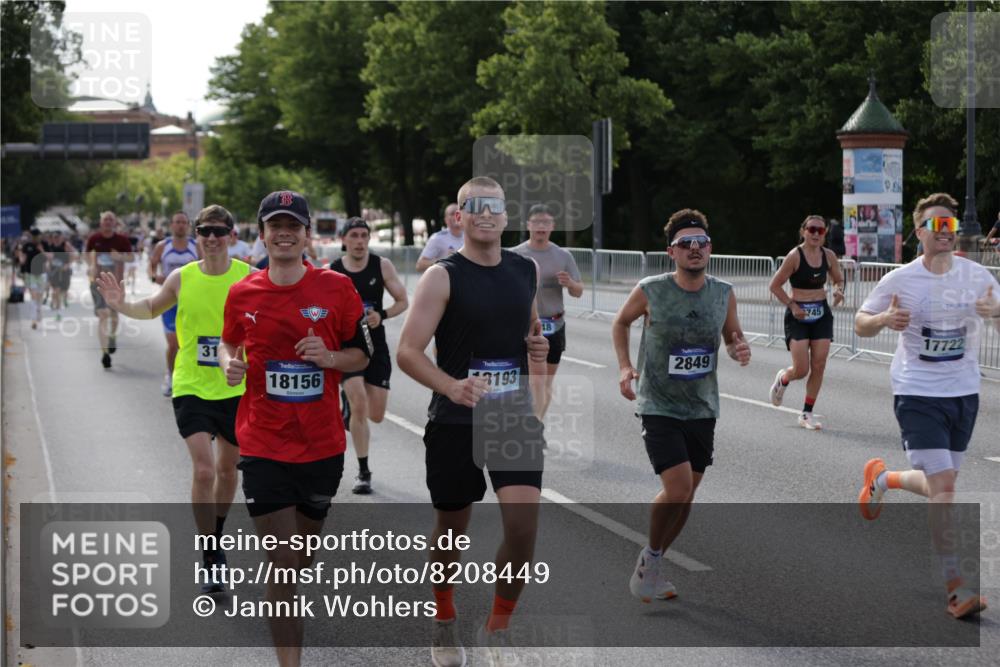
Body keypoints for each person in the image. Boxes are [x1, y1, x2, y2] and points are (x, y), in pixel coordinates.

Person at [397, 176, 549, 667]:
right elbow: (408, 351)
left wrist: (537, 348)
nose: (485, 213)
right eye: (474, 205)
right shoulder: (442, 276)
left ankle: (497, 627)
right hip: (456, 419)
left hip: (511, 417)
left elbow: (529, 330)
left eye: (494, 206)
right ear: (459, 216)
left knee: (523, 528)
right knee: (451, 529)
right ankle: (444, 617)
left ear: (506, 216)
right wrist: (450, 386)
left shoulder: (525, 269)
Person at [218, 190, 371, 667]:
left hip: (321, 446)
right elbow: (228, 343)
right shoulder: (242, 292)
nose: (283, 233)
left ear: (307, 235)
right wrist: (229, 364)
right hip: (262, 443)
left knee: (300, 561)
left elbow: (362, 356)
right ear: (262, 235)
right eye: (275, 225)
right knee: (283, 564)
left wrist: (329, 358)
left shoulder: (336, 289)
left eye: (293, 226)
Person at [855, 192, 998, 620]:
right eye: (936, 225)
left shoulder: (976, 276)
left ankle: (883, 478)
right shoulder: (900, 280)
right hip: (917, 392)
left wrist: (995, 312)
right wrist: (883, 320)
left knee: (942, 483)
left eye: (950, 225)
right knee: (946, 488)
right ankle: (956, 588)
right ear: (919, 232)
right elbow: (861, 323)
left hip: (963, 393)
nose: (945, 232)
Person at [96, 204, 252, 592]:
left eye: (219, 231)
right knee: (204, 470)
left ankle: (216, 534)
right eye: (205, 231)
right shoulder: (182, 277)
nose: (212, 238)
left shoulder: (248, 277)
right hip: (191, 384)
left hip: (235, 385)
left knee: (228, 470)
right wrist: (120, 304)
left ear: (231, 235)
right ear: (196, 235)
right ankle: (209, 552)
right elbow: (152, 307)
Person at [612, 208, 751, 605]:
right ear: (671, 252)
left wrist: (738, 348)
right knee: (678, 488)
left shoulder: (723, 293)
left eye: (701, 243)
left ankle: (653, 561)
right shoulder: (651, 290)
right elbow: (620, 322)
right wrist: (625, 366)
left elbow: (732, 336)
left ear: (710, 249)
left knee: (687, 495)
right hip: (659, 403)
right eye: (685, 243)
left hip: (703, 406)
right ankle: (650, 558)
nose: (694, 249)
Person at [330, 217, 409, 494]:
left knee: (376, 414)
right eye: (354, 235)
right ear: (344, 240)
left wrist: (381, 315)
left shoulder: (381, 265)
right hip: (348, 347)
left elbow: (403, 301)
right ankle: (364, 472)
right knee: (360, 404)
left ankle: (348, 408)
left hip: (375, 345)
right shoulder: (334, 270)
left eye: (364, 235)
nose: (360, 241)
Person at [767, 215, 845, 430]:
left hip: (821, 315)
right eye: (812, 229)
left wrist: (839, 290)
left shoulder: (829, 256)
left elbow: (838, 279)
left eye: (821, 230)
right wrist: (792, 306)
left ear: (825, 234)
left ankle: (806, 413)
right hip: (798, 316)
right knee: (801, 370)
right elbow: (774, 285)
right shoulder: (795, 256)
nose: (816, 234)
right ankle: (784, 378)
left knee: (819, 365)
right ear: (803, 231)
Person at [510, 204, 584, 417]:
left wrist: (570, 283)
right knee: (534, 379)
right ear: (528, 225)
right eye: (537, 222)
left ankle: (538, 421)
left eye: (546, 222)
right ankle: (530, 423)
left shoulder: (563, 255)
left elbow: (578, 292)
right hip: (526, 326)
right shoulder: (515, 255)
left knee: (546, 382)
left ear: (552, 226)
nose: (541, 227)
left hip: (554, 325)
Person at [150, 212, 201, 396]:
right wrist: (155, 277)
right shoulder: (163, 246)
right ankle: (171, 376)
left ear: (188, 225)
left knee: (190, 343)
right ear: (171, 225)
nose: (180, 225)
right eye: (177, 222)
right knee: (173, 343)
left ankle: (191, 377)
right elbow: (152, 264)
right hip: (170, 301)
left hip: (191, 300)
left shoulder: (196, 246)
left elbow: (206, 266)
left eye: (183, 222)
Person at [85, 212, 134, 368]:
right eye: (105, 220)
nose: (107, 222)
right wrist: (90, 266)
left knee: (113, 313)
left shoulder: (122, 240)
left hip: (116, 283)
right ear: (101, 223)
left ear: (115, 223)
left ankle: (112, 336)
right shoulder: (94, 239)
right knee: (103, 314)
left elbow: (131, 257)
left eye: (110, 220)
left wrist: (119, 257)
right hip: (98, 282)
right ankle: (105, 353)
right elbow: (86, 254)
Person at [42, 229, 77, 322]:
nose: (56, 239)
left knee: (63, 290)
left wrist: (67, 265)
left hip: (64, 271)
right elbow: (47, 258)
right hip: (54, 272)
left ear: (61, 238)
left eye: (58, 237)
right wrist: (47, 264)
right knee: (56, 291)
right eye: (54, 237)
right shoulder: (50, 246)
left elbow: (74, 256)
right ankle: (58, 313)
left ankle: (63, 300)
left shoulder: (66, 245)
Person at [416, 203, 462, 272]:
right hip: (446, 277)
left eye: (458, 213)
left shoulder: (470, 237)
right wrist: (444, 261)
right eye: (452, 213)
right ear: (446, 219)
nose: (456, 216)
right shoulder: (437, 238)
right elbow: (420, 265)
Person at [17, 227, 46, 329]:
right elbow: (22, 260)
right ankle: (33, 320)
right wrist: (20, 257)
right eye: (34, 236)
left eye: (37, 236)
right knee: (33, 296)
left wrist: (42, 250)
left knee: (39, 297)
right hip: (30, 274)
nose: (36, 238)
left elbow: (49, 257)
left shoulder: (43, 244)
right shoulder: (27, 246)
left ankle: (38, 310)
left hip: (41, 274)